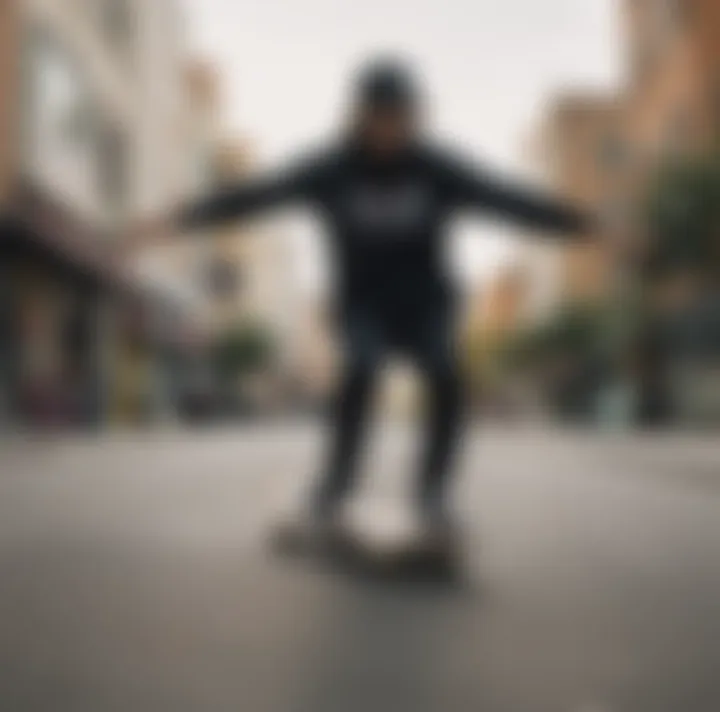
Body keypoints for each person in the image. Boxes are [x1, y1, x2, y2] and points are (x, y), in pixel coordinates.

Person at [138, 59, 593, 553]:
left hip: (427, 301)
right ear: (359, 117)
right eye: (379, 119)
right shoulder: (331, 168)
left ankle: (433, 495)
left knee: (444, 373)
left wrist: (586, 225)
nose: (389, 131)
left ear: (414, 118)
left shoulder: (436, 167)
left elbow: (506, 197)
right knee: (361, 367)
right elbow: (260, 193)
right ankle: (336, 487)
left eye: (399, 120)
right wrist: (180, 218)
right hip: (362, 303)